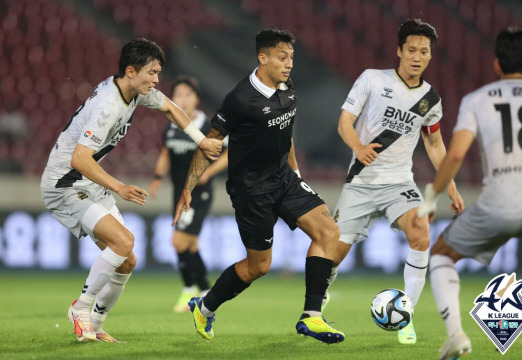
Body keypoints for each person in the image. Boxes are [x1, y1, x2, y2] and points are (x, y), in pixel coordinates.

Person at [40, 38, 222, 342]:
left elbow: (171, 108)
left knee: (127, 261)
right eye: (151, 72)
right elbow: (80, 158)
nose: (157, 79)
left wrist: (200, 140)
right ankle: (81, 307)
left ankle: (95, 327)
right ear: (130, 70)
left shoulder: (134, 90)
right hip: (66, 184)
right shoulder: (107, 107)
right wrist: (120, 187)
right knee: (124, 241)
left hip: (86, 180)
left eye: (158, 72)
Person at [173, 28, 345, 344]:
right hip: (251, 191)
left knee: (329, 233)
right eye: (282, 57)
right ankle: (206, 307)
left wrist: (296, 172)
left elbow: (287, 134)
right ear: (262, 58)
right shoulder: (240, 100)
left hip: (284, 179)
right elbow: (209, 144)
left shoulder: (288, 87)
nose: (289, 64)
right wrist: (188, 187)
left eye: (291, 57)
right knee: (258, 266)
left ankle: (312, 317)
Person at [323, 18, 464, 345]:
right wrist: (358, 147)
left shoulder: (430, 98)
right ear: (399, 50)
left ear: (431, 56)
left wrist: (451, 187)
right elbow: (345, 121)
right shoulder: (372, 79)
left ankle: (405, 315)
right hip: (361, 180)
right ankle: (319, 302)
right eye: (411, 49)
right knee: (332, 256)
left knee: (420, 230)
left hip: (399, 181)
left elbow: (433, 144)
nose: (417, 56)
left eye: (424, 51)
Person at [416, 25, 522, 360]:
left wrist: (430, 198)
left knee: (441, 253)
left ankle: (456, 335)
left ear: (496, 64)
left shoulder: (478, 100)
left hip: (498, 204)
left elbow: (454, 155)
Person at [149, 75, 228, 313]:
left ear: (196, 99)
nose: (182, 100)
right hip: (178, 193)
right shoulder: (171, 126)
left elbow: (228, 154)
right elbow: (166, 152)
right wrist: (157, 177)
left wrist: (208, 172)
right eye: (178, 95)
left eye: (187, 95)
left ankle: (188, 290)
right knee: (190, 246)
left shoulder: (207, 126)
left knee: (178, 241)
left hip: (199, 193)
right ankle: (205, 291)